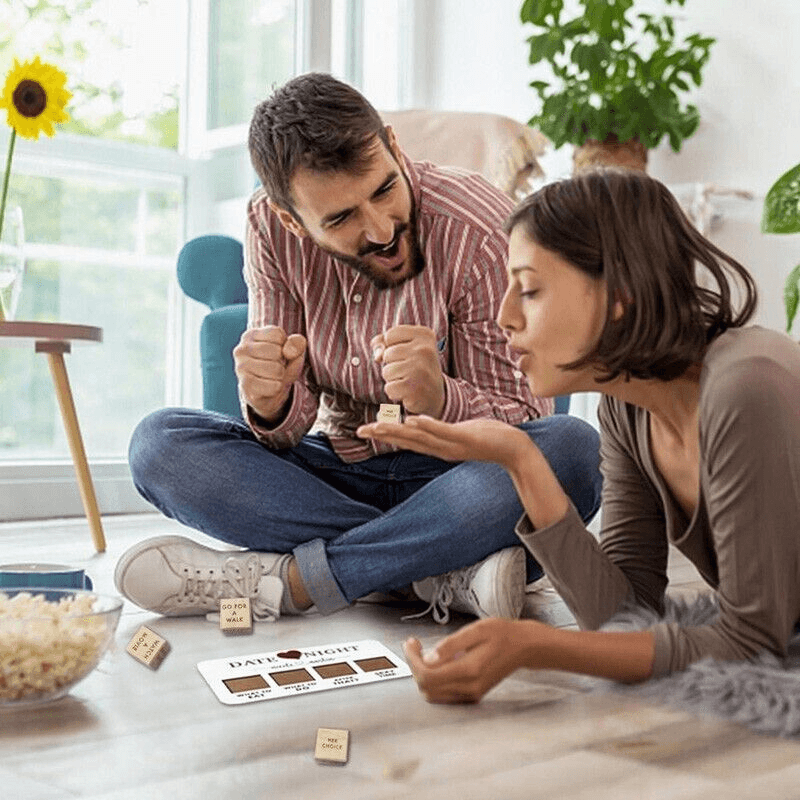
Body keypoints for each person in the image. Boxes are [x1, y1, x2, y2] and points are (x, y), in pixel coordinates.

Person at [115, 73, 602, 625]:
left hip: (460, 476)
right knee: (159, 443)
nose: (379, 229)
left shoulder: (478, 223)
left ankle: (293, 581)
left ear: (394, 147)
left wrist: (441, 398)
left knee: (573, 449)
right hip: (337, 470)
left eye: (384, 189)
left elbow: (526, 418)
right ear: (288, 218)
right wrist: (271, 401)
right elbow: (287, 429)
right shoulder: (267, 228)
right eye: (341, 218)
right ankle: (437, 571)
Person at [358, 168, 800, 702]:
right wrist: (520, 459)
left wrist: (536, 645)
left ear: (620, 295)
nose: (503, 317)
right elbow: (624, 615)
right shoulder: (628, 407)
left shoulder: (747, 387)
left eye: (529, 289)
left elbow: (754, 643)